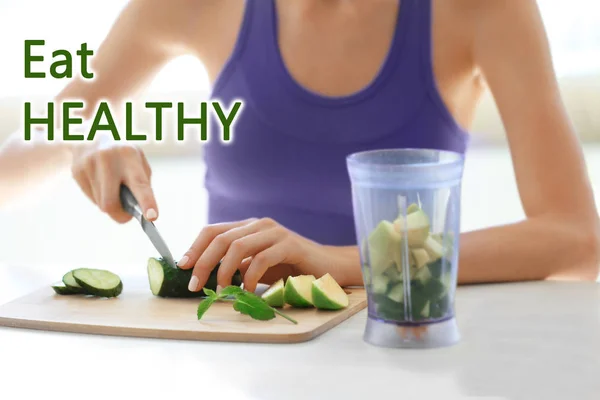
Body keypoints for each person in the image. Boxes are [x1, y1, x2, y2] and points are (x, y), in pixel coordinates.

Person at [0, 0, 598, 294]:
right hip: (238, 360)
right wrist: (83, 136)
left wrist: (339, 262)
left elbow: (577, 240)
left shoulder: (482, 10)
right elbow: (16, 162)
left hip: (406, 357)